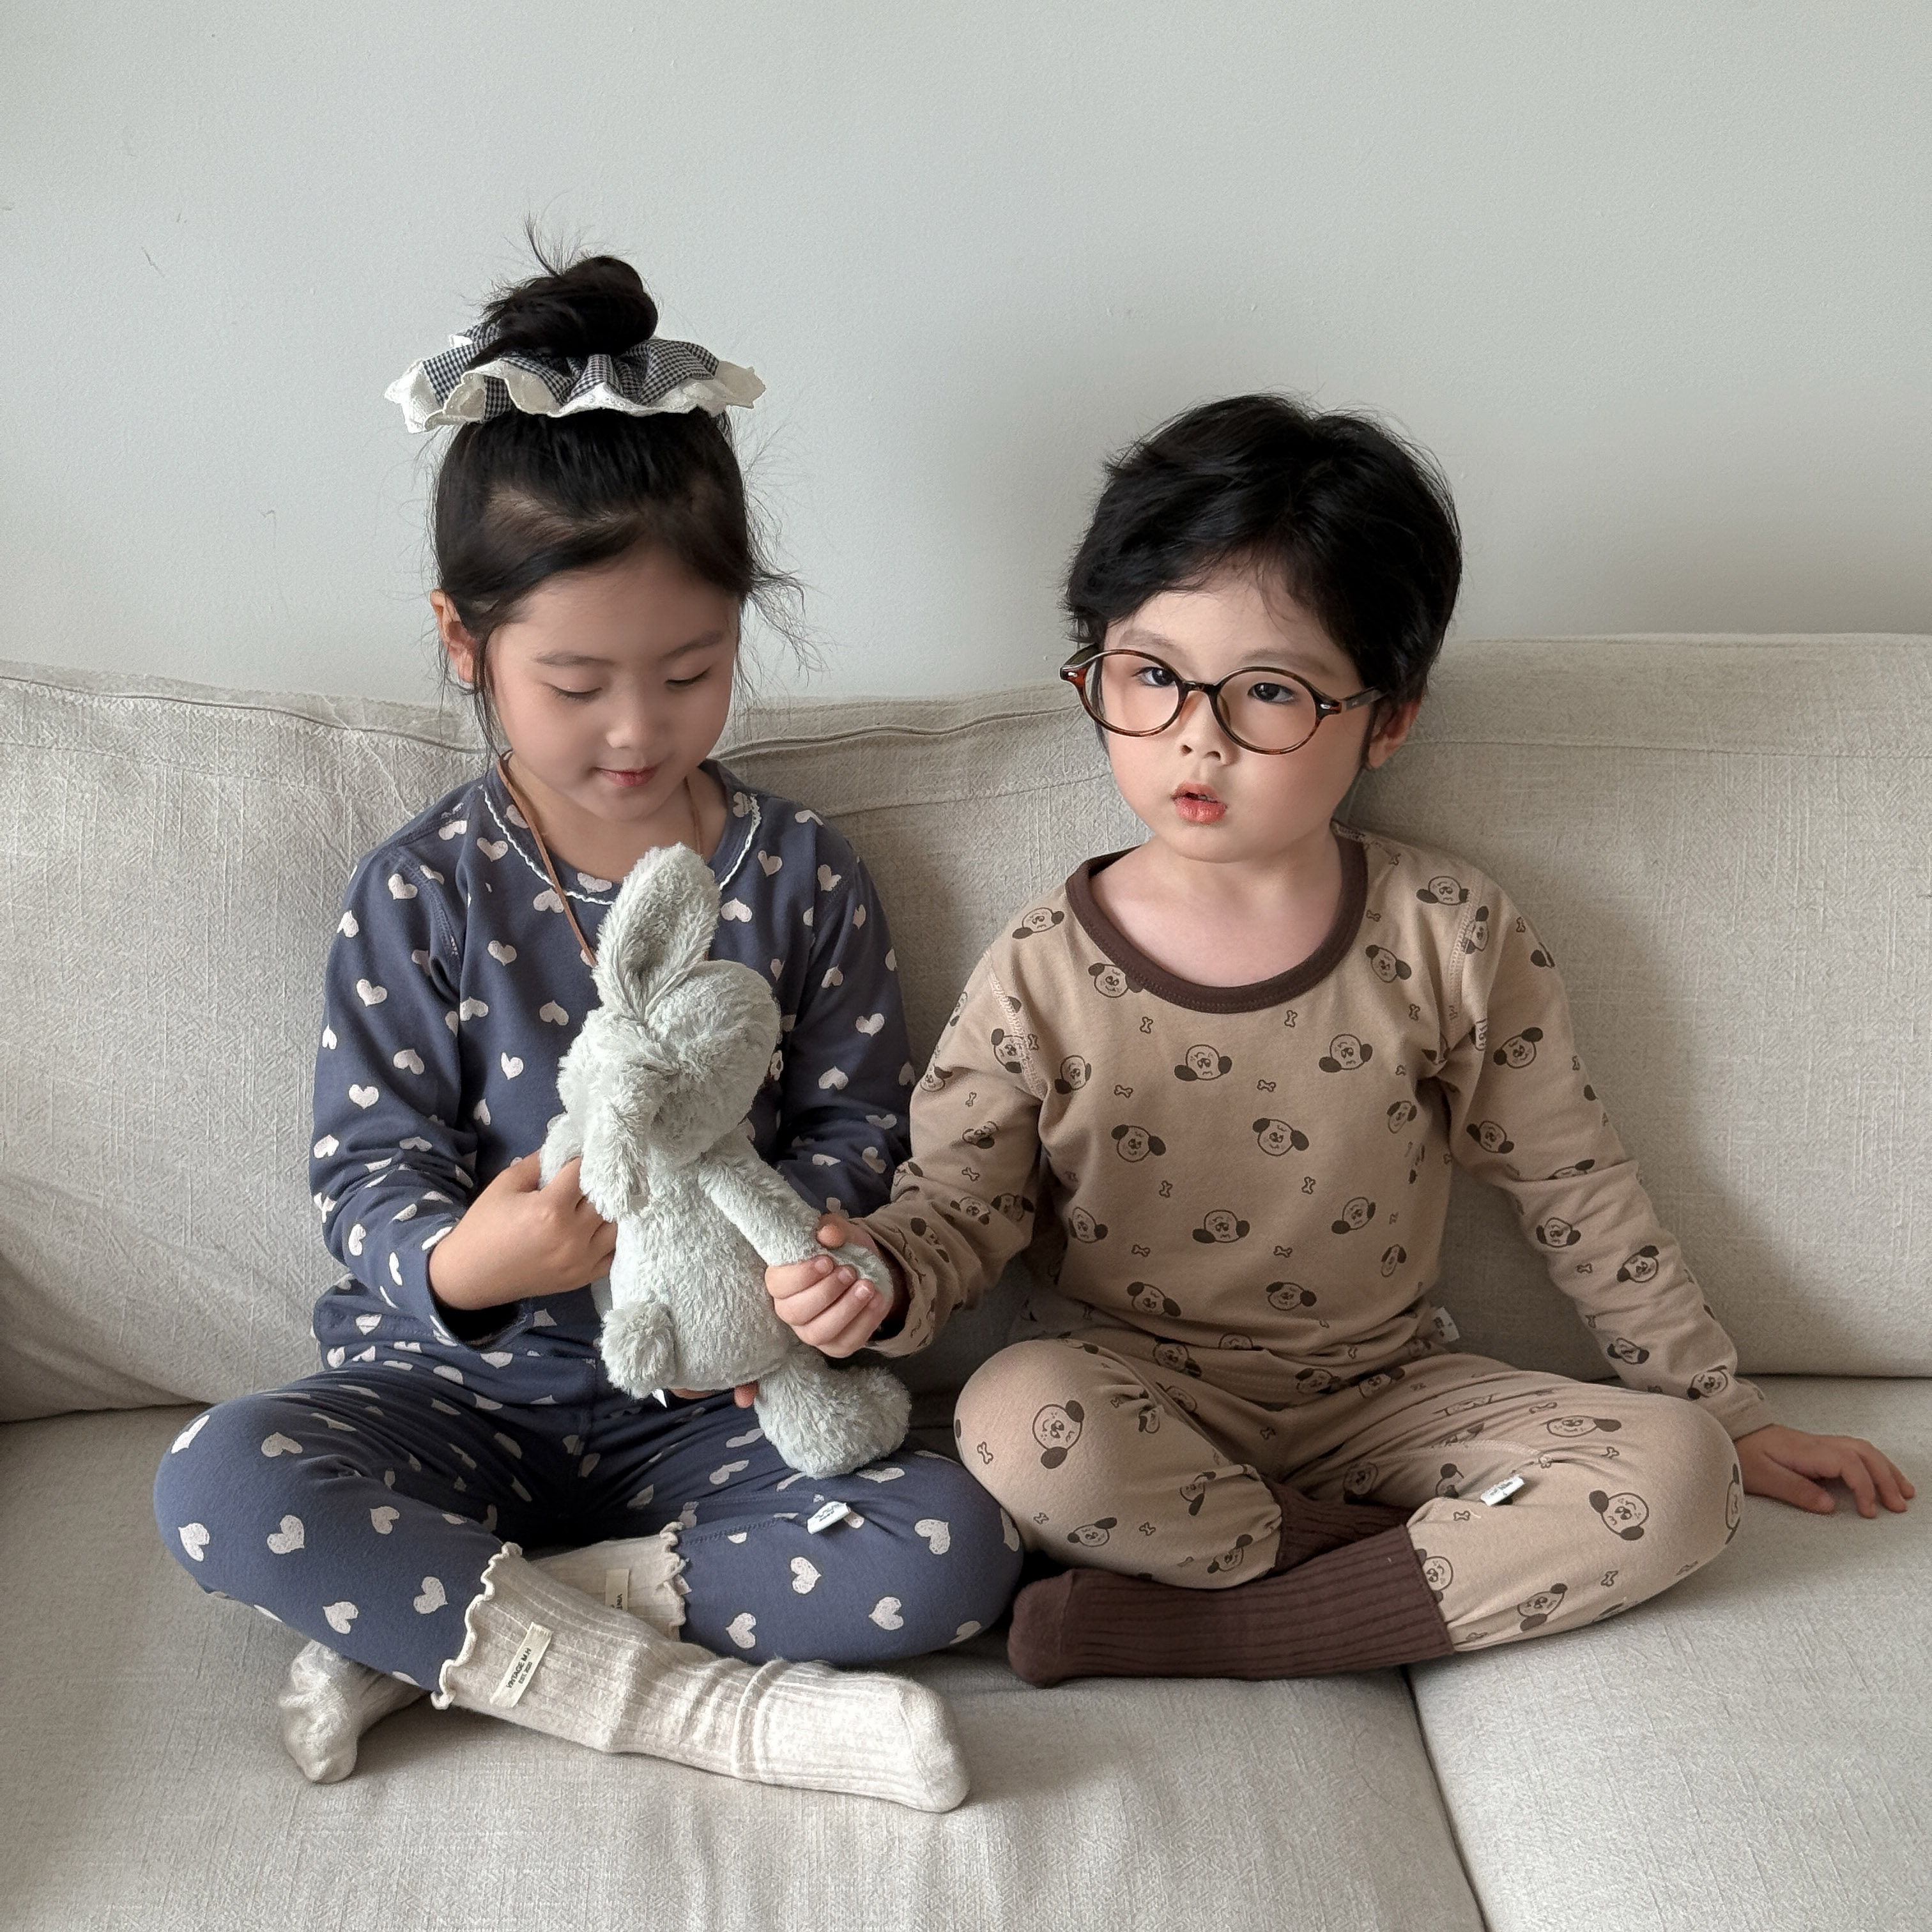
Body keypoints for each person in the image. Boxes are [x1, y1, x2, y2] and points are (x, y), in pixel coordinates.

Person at [765, 392, 1914, 1688]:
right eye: (1152, 676)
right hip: (1133, 1398)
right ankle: (1367, 1567)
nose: (1197, 736)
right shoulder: (1039, 967)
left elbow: (1575, 1186)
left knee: (1682, 1477)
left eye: (1269, 693)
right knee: (1013, 1418)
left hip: (1390, 1399)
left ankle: (1222, 1625)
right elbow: (959, 1209)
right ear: (1095, 667)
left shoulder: (1449, 932)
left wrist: (1726, 1411)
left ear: (1389, 717)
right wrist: (877, 1278)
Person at [153, 247, 1018, 1807]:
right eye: (574, 683)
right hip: (457, 1400)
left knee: (958, 1542)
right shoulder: (422, 889)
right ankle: (681, 1703)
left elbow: (856, 1130)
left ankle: (471, 1625)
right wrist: (466, 1267)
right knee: (219, 1484)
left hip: (713, 1402)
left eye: (690, 672)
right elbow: (364, 1167)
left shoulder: (805, 876)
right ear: (463, 641)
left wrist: (826, 1263)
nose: (636, 727)